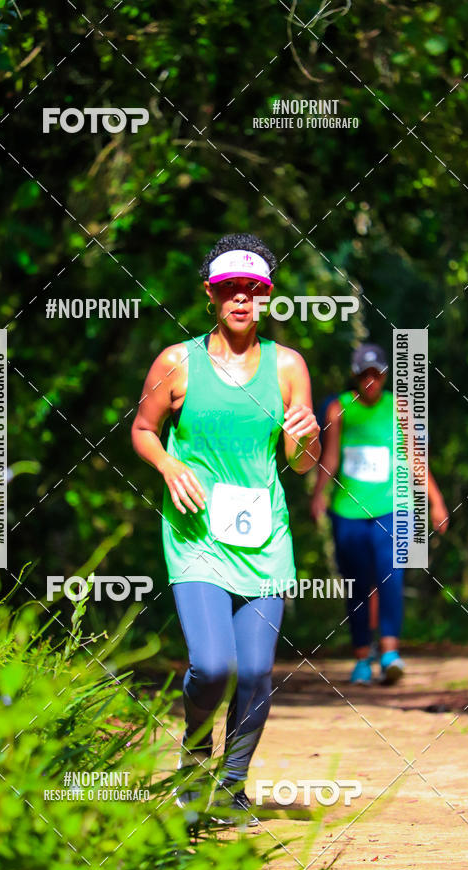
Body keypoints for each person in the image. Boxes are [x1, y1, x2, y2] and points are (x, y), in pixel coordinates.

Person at [131, 233, 320, 821]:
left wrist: (309, 437)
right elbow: (142, 429)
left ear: (266, 298)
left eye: (253, 291)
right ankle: (193, 761)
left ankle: (232, 786)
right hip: (196, 537)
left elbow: (299, 463)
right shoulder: (177, 362)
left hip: (265, 538)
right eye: (229, 290)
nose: (241, 300)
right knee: (213, 665)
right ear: (211, 296)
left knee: (257, 670)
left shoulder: (289, 367)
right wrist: (167, 465)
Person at [310, 343, 449, 685]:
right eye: (364, 374)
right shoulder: (339, 408)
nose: (370, 380)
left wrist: (436, 501)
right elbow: (330, 458)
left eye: (376, 374)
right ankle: (361, 657)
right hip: (348, 512)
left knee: (392, 578)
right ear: (355, 376)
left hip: (394, 507)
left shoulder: (399, 407)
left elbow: (415, 457)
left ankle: (389, 654)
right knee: (357, 585)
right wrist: (318, 496)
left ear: (385, 376)